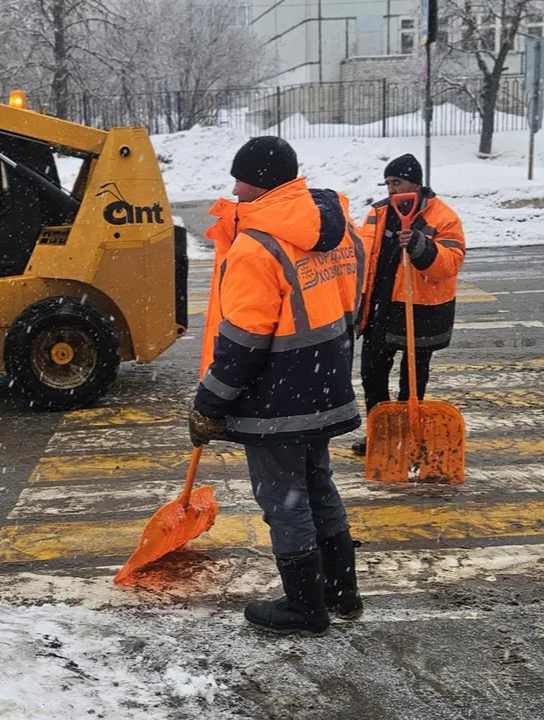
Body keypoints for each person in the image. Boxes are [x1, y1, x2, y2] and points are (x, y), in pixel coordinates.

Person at [189, 136, 365, 635]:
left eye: (240, 180)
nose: (234, 190)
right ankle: (341, 592)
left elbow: (243, 342)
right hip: (324, 384)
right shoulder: (339, 229)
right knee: (317, 487)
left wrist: (209, 403)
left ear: (261, 183)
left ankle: (305, 607)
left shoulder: (256, 246)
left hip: (277, 398)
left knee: (284, 500)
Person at [352, 154, 466, 457]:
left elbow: (450, 264)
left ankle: (408, 432)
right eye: (388, 183)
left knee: (413, 380)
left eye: (397, 182)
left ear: (416, 184)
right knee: (372, 375)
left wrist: (419, 245)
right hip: (381, 308)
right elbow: (363, 254)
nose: (392, 189)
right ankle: (382, 433)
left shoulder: (443, 217)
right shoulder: (378, 213)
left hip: (420, 310)